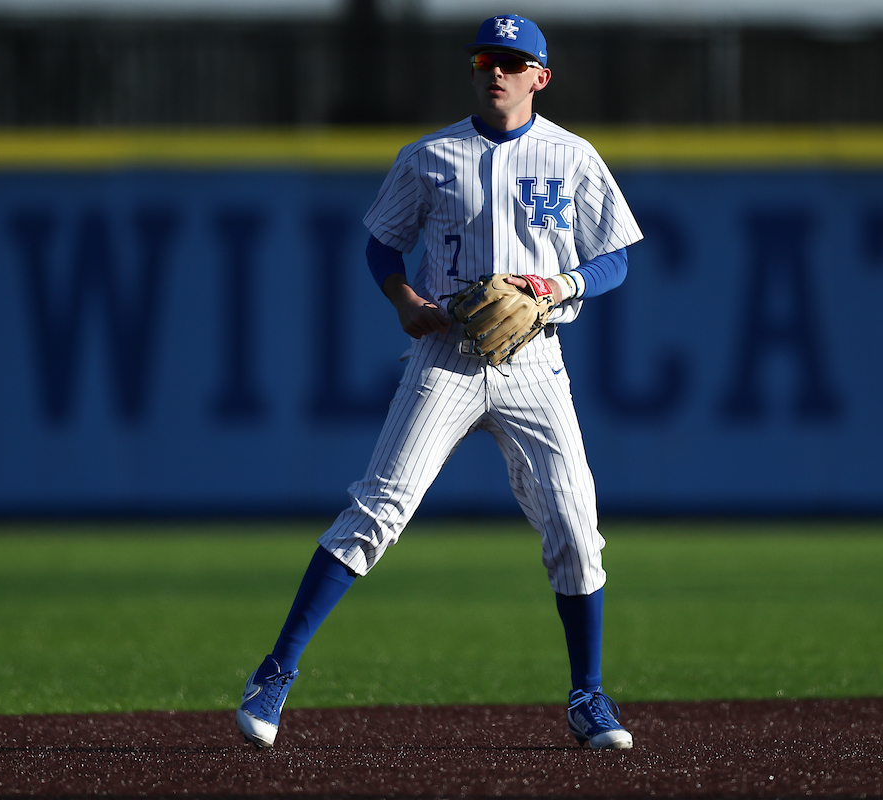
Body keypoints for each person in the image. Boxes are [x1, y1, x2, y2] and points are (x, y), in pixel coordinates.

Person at [236, 13, 643, 751]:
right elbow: (381, 244)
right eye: (487, 57)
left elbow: (613, 258)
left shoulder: (574, 157)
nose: (498, 70)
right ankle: (274, 673)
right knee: (376, 513)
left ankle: (589, 696)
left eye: (514, 62)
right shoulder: (431, 156)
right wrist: (402, 300)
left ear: (540, 77)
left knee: (578, 534)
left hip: (535, 361)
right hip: (447, 356)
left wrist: (558, 286)